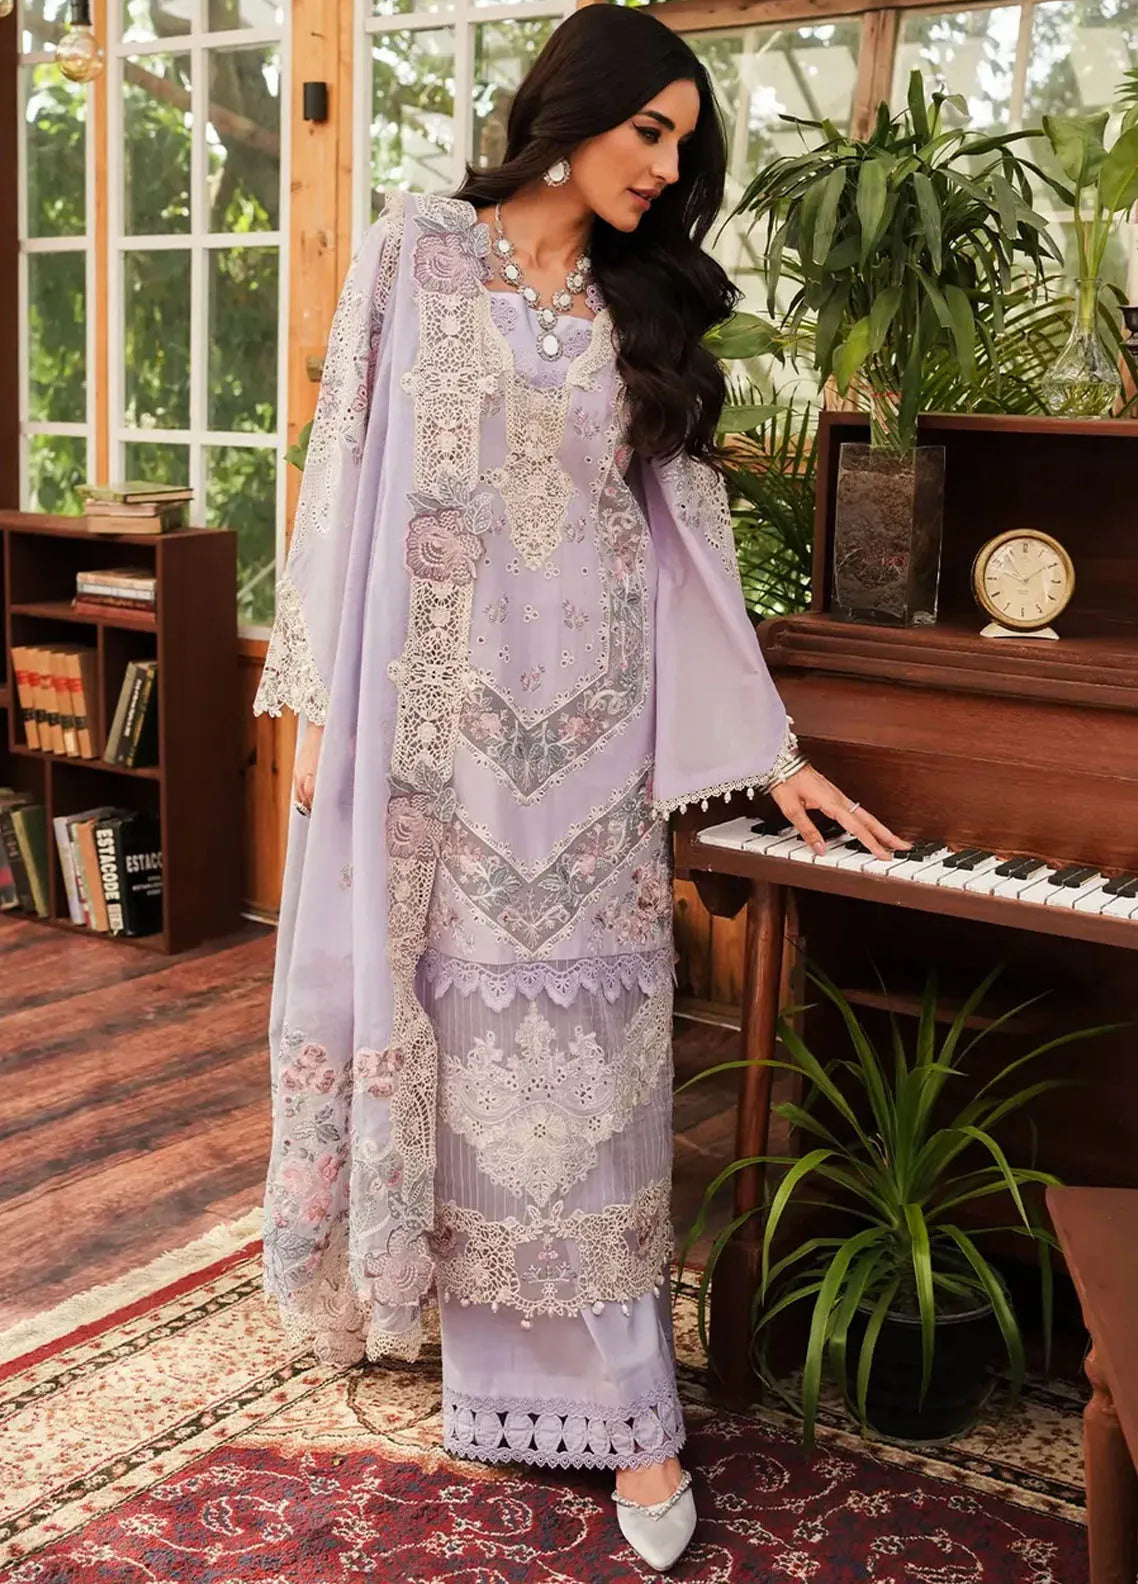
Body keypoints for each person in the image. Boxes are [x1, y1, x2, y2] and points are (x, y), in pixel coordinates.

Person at [252, 4, 905, 1572]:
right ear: (576, 105)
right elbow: (343, 471)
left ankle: (630, 1413)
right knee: (445, 1035)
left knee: (590, 1082)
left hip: (593, 754)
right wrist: (317, 704)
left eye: (684, 148)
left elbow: (682, 551)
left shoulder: (643, 310)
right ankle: (488, 1370)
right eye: (650, 132)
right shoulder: (416, 251)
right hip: (431, 748)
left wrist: (775, 755)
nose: (666, 171)